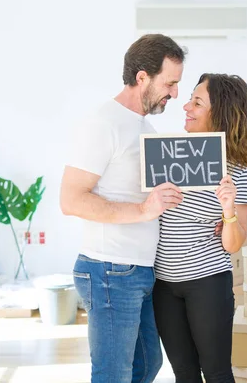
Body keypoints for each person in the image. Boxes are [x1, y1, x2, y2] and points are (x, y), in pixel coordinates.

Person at [59, 34, 187, 383]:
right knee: (113, 374)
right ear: (142, 77)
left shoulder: (145, 127)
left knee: (147, 366)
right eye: (170, 83)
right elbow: (71, 200)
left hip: (140, 271)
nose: (175, 93)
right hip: (109, 270)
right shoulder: (103, 123)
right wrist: (143, 211)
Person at [152, 73, 247, 383]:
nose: (186, 106)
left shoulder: (238, 171)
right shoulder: (168, 156)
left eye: (197, 102)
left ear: (222, 113)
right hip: (163, 284)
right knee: (184, 374)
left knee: (216, 373)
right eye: (190, 99)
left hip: (208, 283)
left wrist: (228, 208)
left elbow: (233, 243)